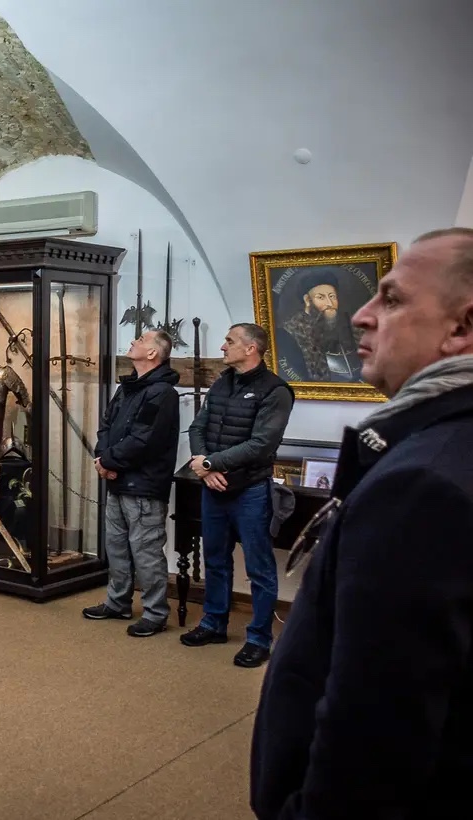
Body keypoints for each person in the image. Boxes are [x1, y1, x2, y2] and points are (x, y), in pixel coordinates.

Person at [250, 227, 473, 818]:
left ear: (462, 327)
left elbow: (377, 730)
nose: (361, 315)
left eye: (392, 299)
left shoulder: (422, 485)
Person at [183, 322, 294, 668]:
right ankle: (214, 623)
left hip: (251, 491)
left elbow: (261, 444)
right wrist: (206, 467)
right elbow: (198, 427)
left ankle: (259, 638)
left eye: (229, 341)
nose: (222, 346)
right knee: (215, 559)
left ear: (251, 349)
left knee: (259, 568)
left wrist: (211, 463)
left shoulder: (276, 391)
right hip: (213, 487)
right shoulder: (222, 383)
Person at [83, 329, 181, 636]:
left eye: (140, 340)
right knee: (116, 547)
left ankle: (155, 613)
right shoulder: (127, 388)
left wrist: (109, 462)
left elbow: (145, 440)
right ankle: (117, 602)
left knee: (146, 552)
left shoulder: (162, 393)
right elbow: (106, 427)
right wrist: (103, 459)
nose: (133, 342)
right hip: (118, 481)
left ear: (152, 353)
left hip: (145, 486)